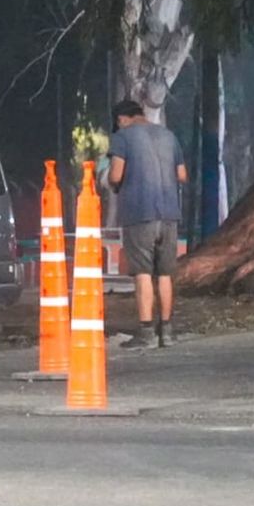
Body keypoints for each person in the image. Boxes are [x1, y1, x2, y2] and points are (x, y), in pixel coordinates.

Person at [107, 99, 188, 349]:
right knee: (164, 274)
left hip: (140, 213)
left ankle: (146, 332)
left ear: (121, 119)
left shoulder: (122, 137)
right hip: (169, 214)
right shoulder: (169, 136)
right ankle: (167, 331)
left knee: (143, 273)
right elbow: (182, 175)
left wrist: (111, 181)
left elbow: (116, 175)